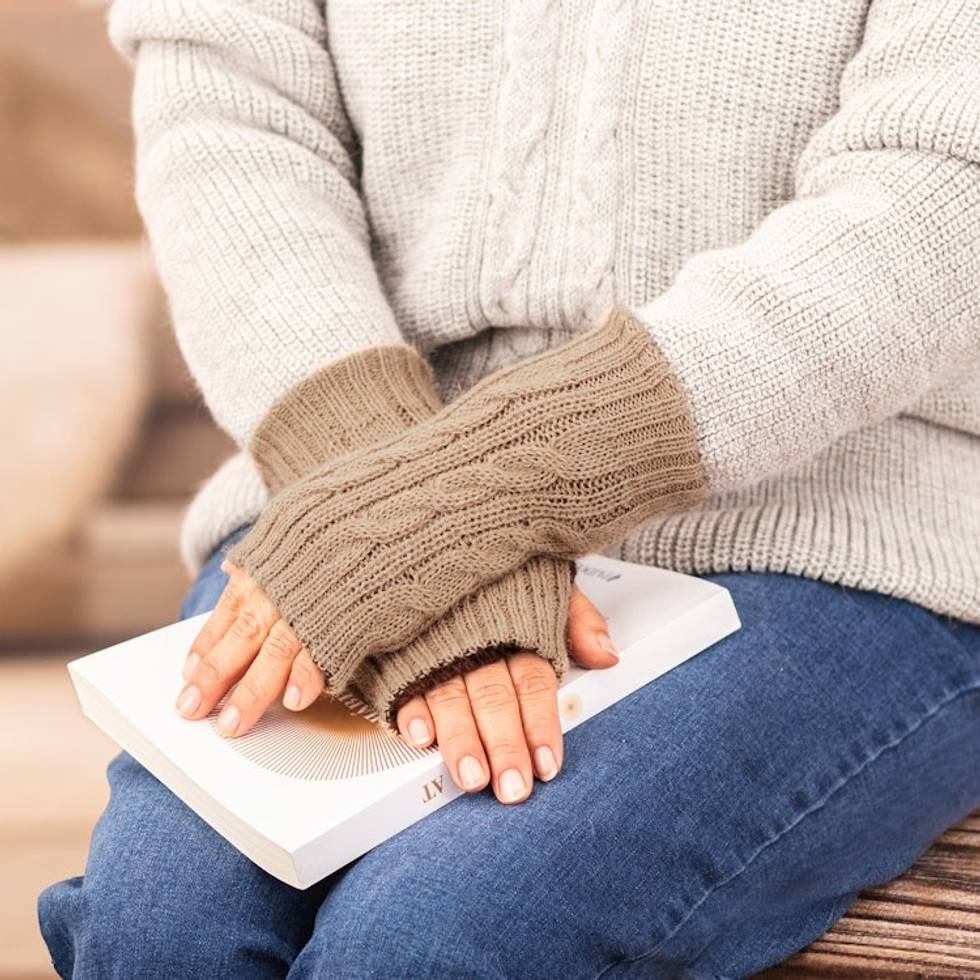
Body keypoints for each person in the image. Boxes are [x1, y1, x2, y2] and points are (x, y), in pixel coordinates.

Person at [39, 0, 980, 976]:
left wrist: (450, 508)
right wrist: (397, 521)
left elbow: (939, 203)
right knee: (159, 936)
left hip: (844, 525)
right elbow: (228, 119)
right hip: (336, 489)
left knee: (425, 948)